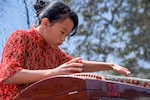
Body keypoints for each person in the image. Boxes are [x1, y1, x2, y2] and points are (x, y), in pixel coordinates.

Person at [0, 0, 131, 99]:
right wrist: (52, 73)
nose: (63, 39)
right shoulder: (21, 37)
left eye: (67, 35)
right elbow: (9, 75)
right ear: (46, 23)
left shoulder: (53, 51)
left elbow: (78, 66)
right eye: (62, 32)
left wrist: (111, 66)